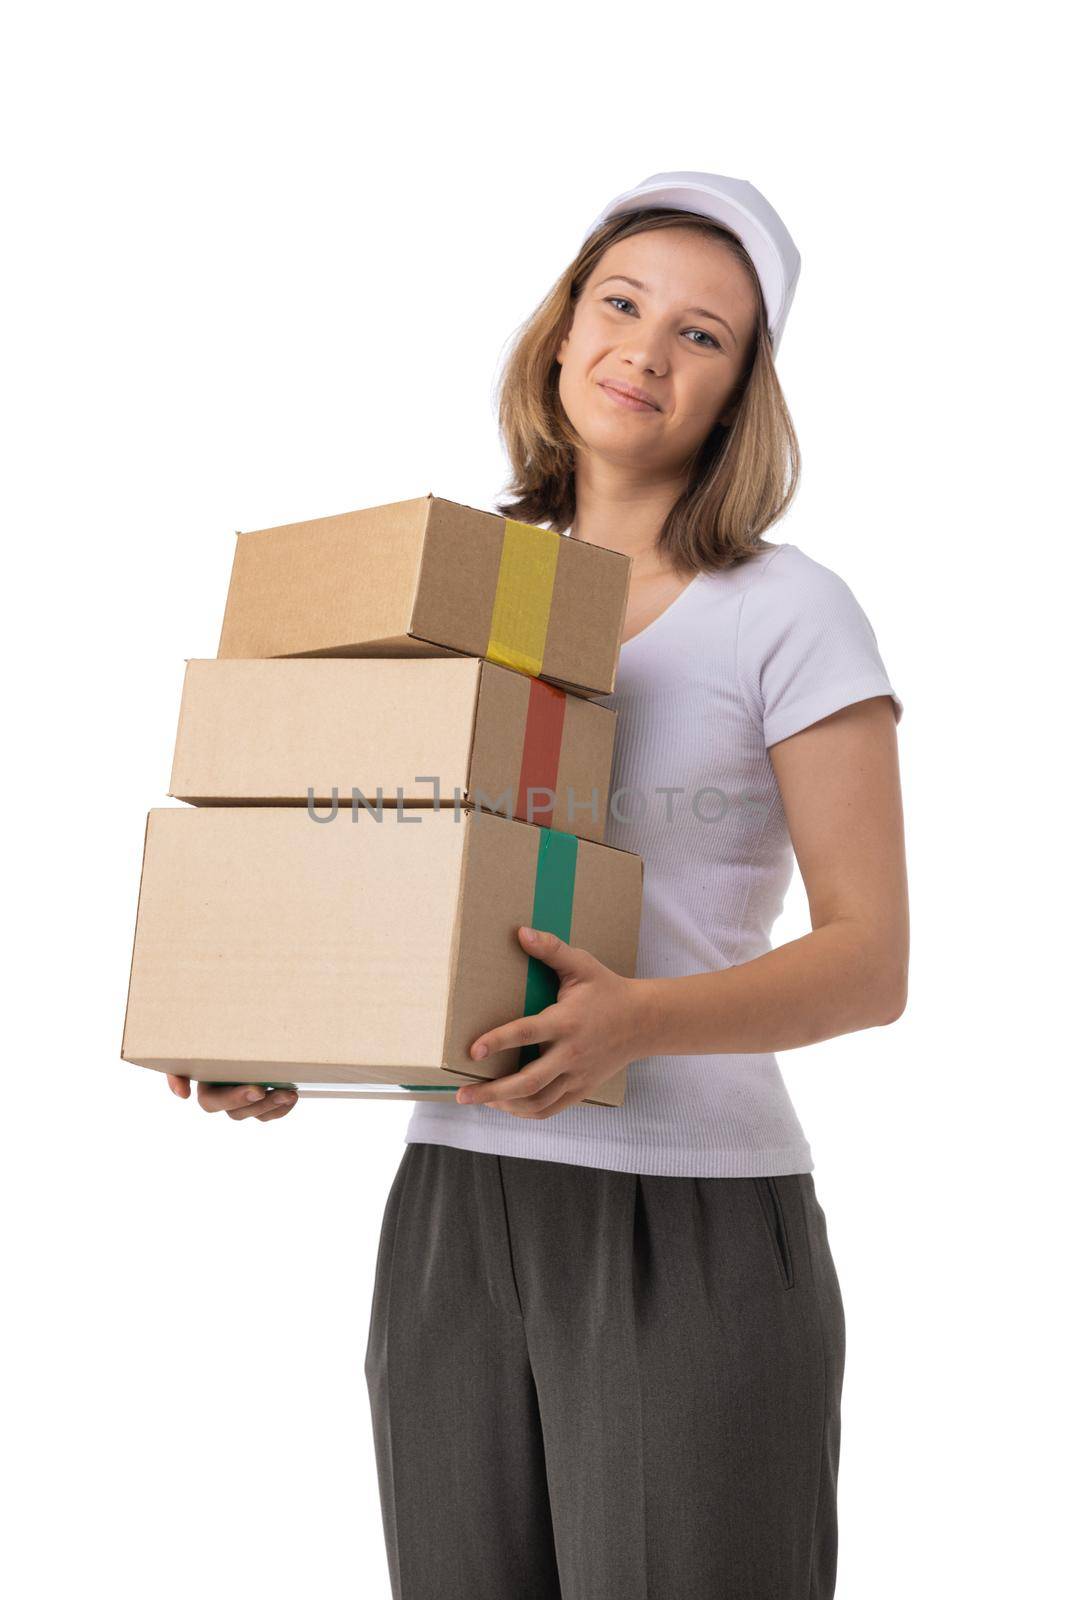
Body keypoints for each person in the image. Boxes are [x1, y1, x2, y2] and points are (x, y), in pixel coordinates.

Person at [173, 171, 909, 1598]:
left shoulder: (786, 609)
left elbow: (872, 959)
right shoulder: (465, 585)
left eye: (703, 334)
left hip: (682, 1214)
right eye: (621, 303)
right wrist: (276, 1030)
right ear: (565, 327)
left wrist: (636, 1020)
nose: (646, 348)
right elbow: (375, 871)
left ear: (746, 386)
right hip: (455, 1203)